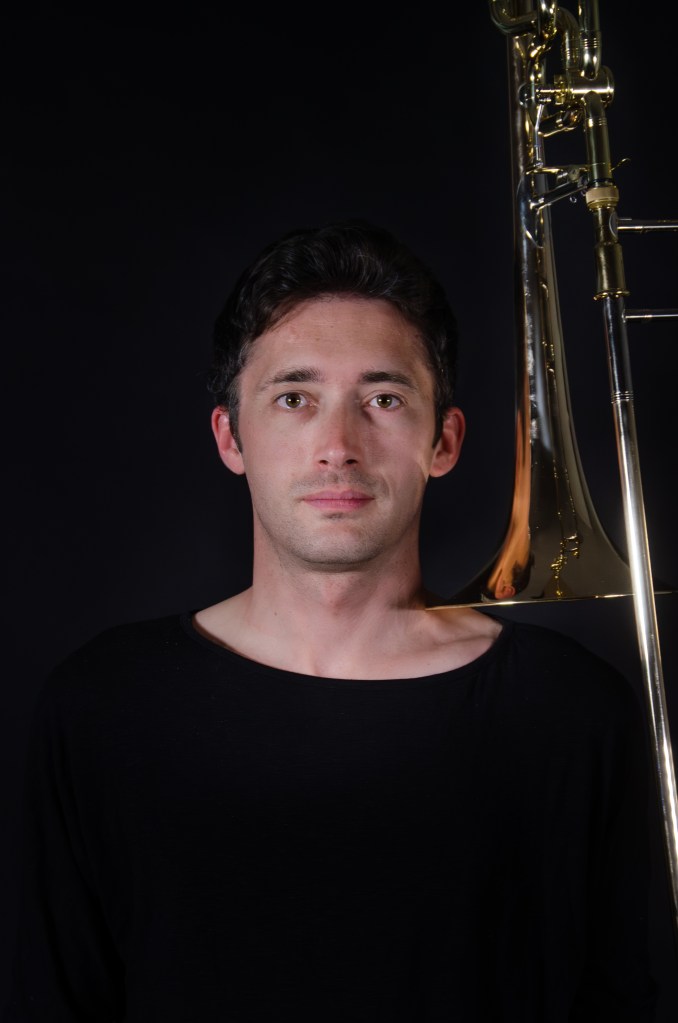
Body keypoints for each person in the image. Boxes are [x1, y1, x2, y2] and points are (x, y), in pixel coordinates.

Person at [4, 220, 657, 1021]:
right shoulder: (102, 708)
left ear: (444, 440)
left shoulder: (572, 713)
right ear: (231, 437)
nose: (338, 446)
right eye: (294, 399)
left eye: (383, 398)